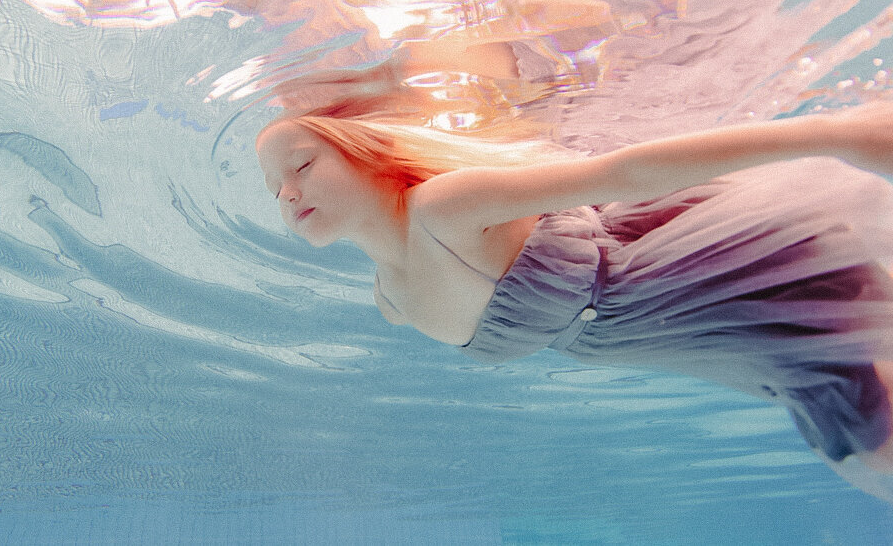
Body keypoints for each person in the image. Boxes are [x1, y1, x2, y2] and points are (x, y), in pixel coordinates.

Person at [254, 91, 893, 497]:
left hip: (693, 263)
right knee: (860, 410)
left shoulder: (442, 209)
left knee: (866, 417)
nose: (286, 192)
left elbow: (622, 171)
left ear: (364, 154)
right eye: (273, 186)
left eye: (302, 165)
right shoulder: (389, 301)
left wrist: (832, 134)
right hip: (677, 329)